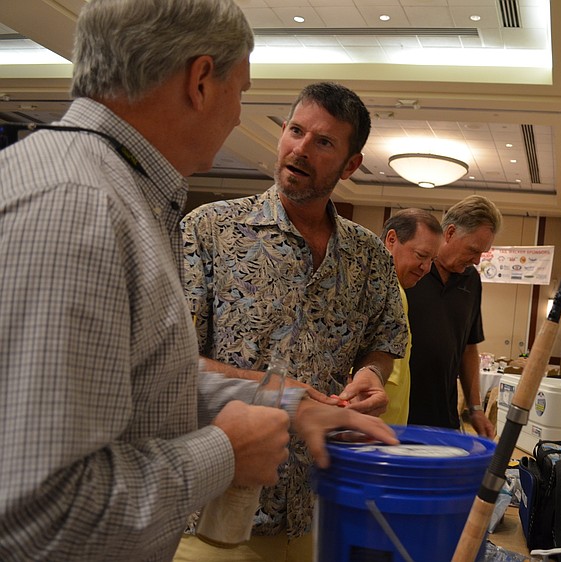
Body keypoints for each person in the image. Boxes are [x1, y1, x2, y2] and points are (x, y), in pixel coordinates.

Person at [0, 2, 397, 560]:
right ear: (201, 80)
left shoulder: (111, 194)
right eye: (242, 90)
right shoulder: (80, 210)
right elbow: (36, 517)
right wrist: (224, 453)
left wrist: (289, 408)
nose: (239, 117)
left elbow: (148, 375)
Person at [178, 81, 408, 560]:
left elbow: (385, 336)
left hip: (313, 507)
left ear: (350, 165)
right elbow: (173, 365)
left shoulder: (368, 254)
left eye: (323, 142)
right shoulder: (209, 229)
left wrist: (372, 372)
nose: (301, 149)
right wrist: (282, 394)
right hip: (210, 512)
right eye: (296, 131)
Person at [406, 194, 502, 438]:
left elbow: (469, 347)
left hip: (443, 417)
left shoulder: (472, 280)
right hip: (398, 411)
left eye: (483, 253)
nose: (477, 260)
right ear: (449, 233)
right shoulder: (410, 268)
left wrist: (476, 408)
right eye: (473, 249)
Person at [379, 208, 444, 425]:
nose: (426, 268)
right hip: (371, 433)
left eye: (432, 260)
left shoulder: (395, 290)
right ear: (391, 240)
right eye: (421, 256)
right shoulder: (382, 289)